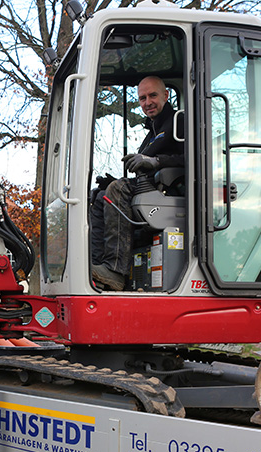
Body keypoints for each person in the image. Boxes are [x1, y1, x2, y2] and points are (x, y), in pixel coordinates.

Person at [91, 76, 184, 291]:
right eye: (142, 98)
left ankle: (116, 270)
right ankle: (99, 266)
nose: (147, 102)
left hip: (170, 191)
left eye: (152, 95)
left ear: (166, 95)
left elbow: (194, 158)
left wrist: (157, 161)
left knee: (118, 189)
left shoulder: (179, 122)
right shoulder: (152, 131)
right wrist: (113, 183)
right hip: (148, 189)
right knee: (100, 194)